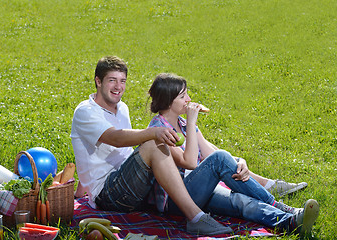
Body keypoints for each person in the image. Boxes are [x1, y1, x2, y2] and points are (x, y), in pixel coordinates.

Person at [71, 56, 235, 235]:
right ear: (98, 81)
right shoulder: (85, 111)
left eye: (122, 81)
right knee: (152, 144)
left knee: (227, 198)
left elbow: (100, 154)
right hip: (109, 194)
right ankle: (195, 218)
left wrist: (81, 189)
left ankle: (266, 207)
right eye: (112, 80)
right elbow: (116, 138)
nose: (118, 87)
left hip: (131, 184)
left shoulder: (122, 108)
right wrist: (154, 132)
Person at [147, 73, 320, 237]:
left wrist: (239, 162)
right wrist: (193, 122)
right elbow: (190, 162)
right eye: (183, 96)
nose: (189, 100)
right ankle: (281, 206)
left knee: (240, 201)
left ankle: (290, 222)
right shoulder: (158, 130)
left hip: (200, 188)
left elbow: (210, 154)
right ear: (169, 101)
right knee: (221, 159)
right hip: (177, 202)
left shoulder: (183, 123)